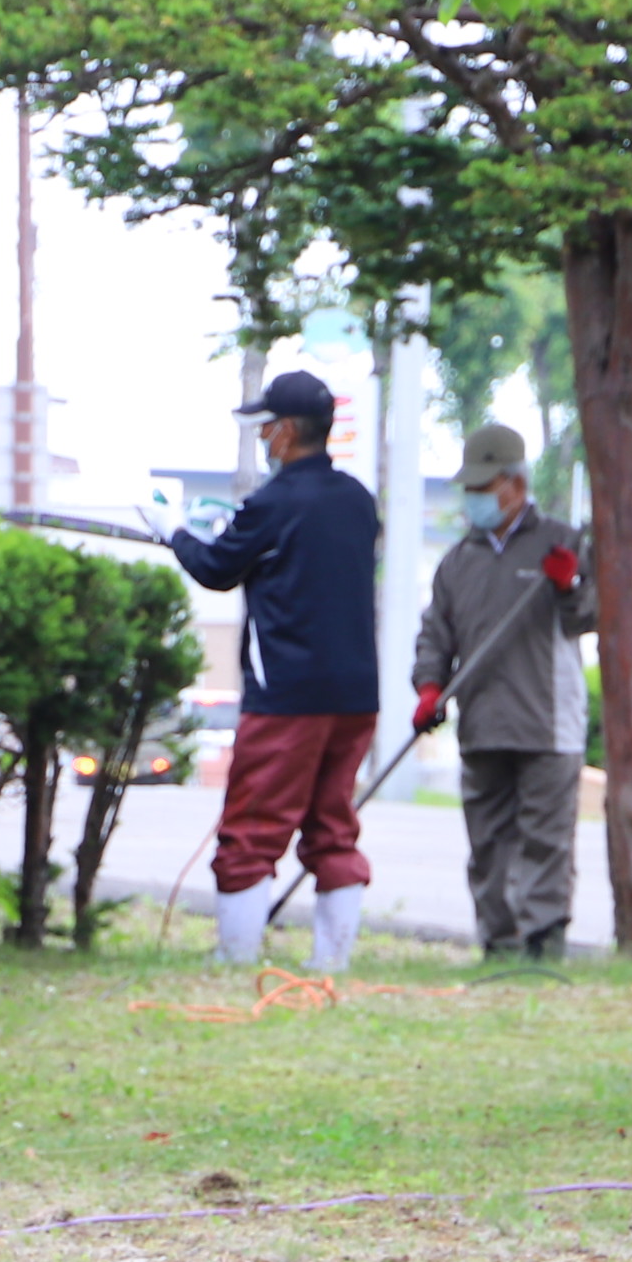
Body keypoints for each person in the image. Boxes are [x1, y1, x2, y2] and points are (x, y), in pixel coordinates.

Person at [169, 369, 382, 970]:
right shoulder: (358, 501)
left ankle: (236, 959)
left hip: (288, 694)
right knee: (332, 825)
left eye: (266, 428)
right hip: (355, 695)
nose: (263, 439)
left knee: (252, 828)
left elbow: (215, 567)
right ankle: (331, 965)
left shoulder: (272, 502)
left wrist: (174, 535)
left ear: (287, 432)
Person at [410, 423, 596, 958]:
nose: (474, 499)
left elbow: (589, 617)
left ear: (515, 484)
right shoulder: (458, 562)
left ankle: (543, 943)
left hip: (548, 722)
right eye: (469, 488)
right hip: (482, 721)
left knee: (545, 842)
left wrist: (568, 584)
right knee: (489, 844)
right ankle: (498, 943)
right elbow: (435, 634)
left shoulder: (561, 542)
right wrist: (429, 688)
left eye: (483, 487)